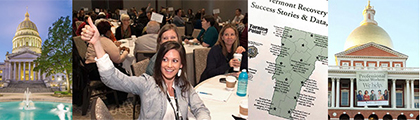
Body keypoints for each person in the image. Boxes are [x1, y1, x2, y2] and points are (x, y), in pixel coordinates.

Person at [81, 19, 211, 119]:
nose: (169, 65)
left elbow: (200, 108)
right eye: (165, 59)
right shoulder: (147, 84)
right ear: (158, 61)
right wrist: (97, 43)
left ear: (181, 64)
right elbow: (113, 78)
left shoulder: (184, 85)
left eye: (175, 61)